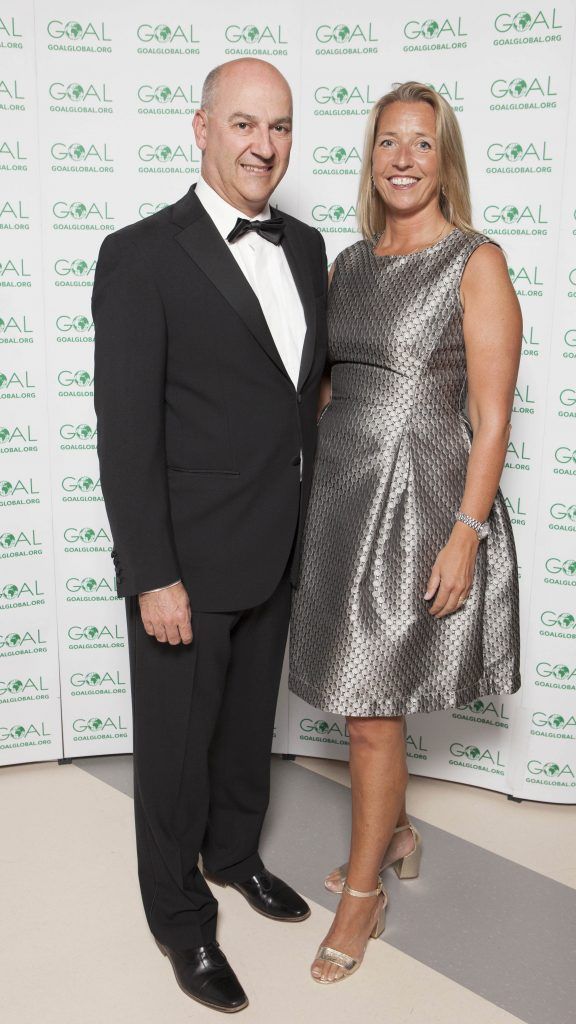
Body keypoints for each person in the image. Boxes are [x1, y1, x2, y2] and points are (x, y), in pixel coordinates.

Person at [93, 58, 328, 1013]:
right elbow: (126, 430)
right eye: (242, 125)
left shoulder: (308, 246)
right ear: (201, 128)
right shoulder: (141, 253)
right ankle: (179, 918)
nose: (262, 145)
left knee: (244, 738)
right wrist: (151, 573)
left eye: (277, 127)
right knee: (175, 751)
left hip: (275, 545)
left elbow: (298, 396)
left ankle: (234, 858)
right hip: (183, 562)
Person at [289, 81, 521, 985]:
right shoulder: (348, 264)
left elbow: (492, 419)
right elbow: (329, 390)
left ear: (444, 159)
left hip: (421, 504)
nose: (403, 159)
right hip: (343, 502)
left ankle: (364, 895)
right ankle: (400, 833)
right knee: (360, 701)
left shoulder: (475, 261)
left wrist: (466, 532)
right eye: (389, 141)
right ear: (371, 154)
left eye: (423, 144)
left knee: (374, 713)